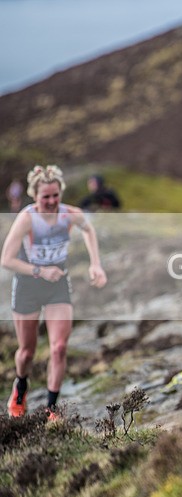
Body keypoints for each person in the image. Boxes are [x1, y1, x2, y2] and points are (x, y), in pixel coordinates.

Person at [2, 165, 107, 419]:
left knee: (59, 347)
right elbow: (6, 260)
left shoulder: (69, 214)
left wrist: (96, 264)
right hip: (28, 286)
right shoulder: (27, 219)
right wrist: (39, 271)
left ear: (61, 193)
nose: (51, 201)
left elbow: (89, 229)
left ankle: (51, 408)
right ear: (34, 196)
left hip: (58, 285)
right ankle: (21, 385)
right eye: (45, 197)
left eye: (55, 196)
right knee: (27, 351)